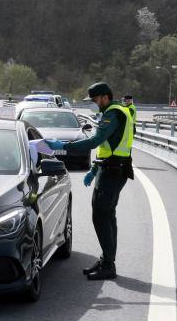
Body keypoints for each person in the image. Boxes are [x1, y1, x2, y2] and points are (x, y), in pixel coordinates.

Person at [46, 82, 134, 280]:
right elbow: (108, 146)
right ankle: (107, 260)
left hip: (113, 171)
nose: (94, 104)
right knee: (107, 215)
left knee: (102, 216)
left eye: (95, 100)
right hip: (111, 168)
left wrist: (64, 146)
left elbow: (95, 141)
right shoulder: (120, 110)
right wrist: (94, 169)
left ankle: (109, 265)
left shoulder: (113, 113)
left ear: (104, 96)